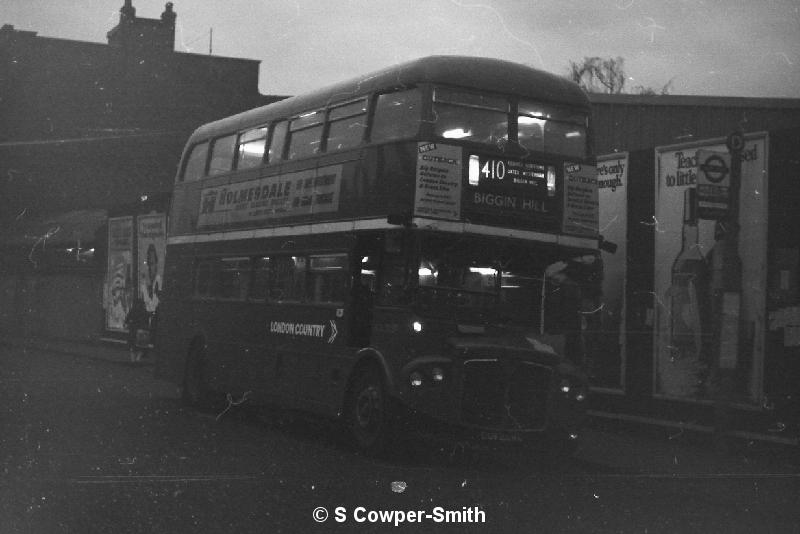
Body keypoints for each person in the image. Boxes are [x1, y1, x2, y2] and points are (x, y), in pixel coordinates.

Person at [124, 297, 149, 362]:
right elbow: (147, 321)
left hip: (133, 330)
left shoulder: (132, 310)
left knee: (132, 346)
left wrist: (128, 323)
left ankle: (133, 360)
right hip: (142, 330)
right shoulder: (144, 311)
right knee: (141, 346)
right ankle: (138, 359)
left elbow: (127, 319)